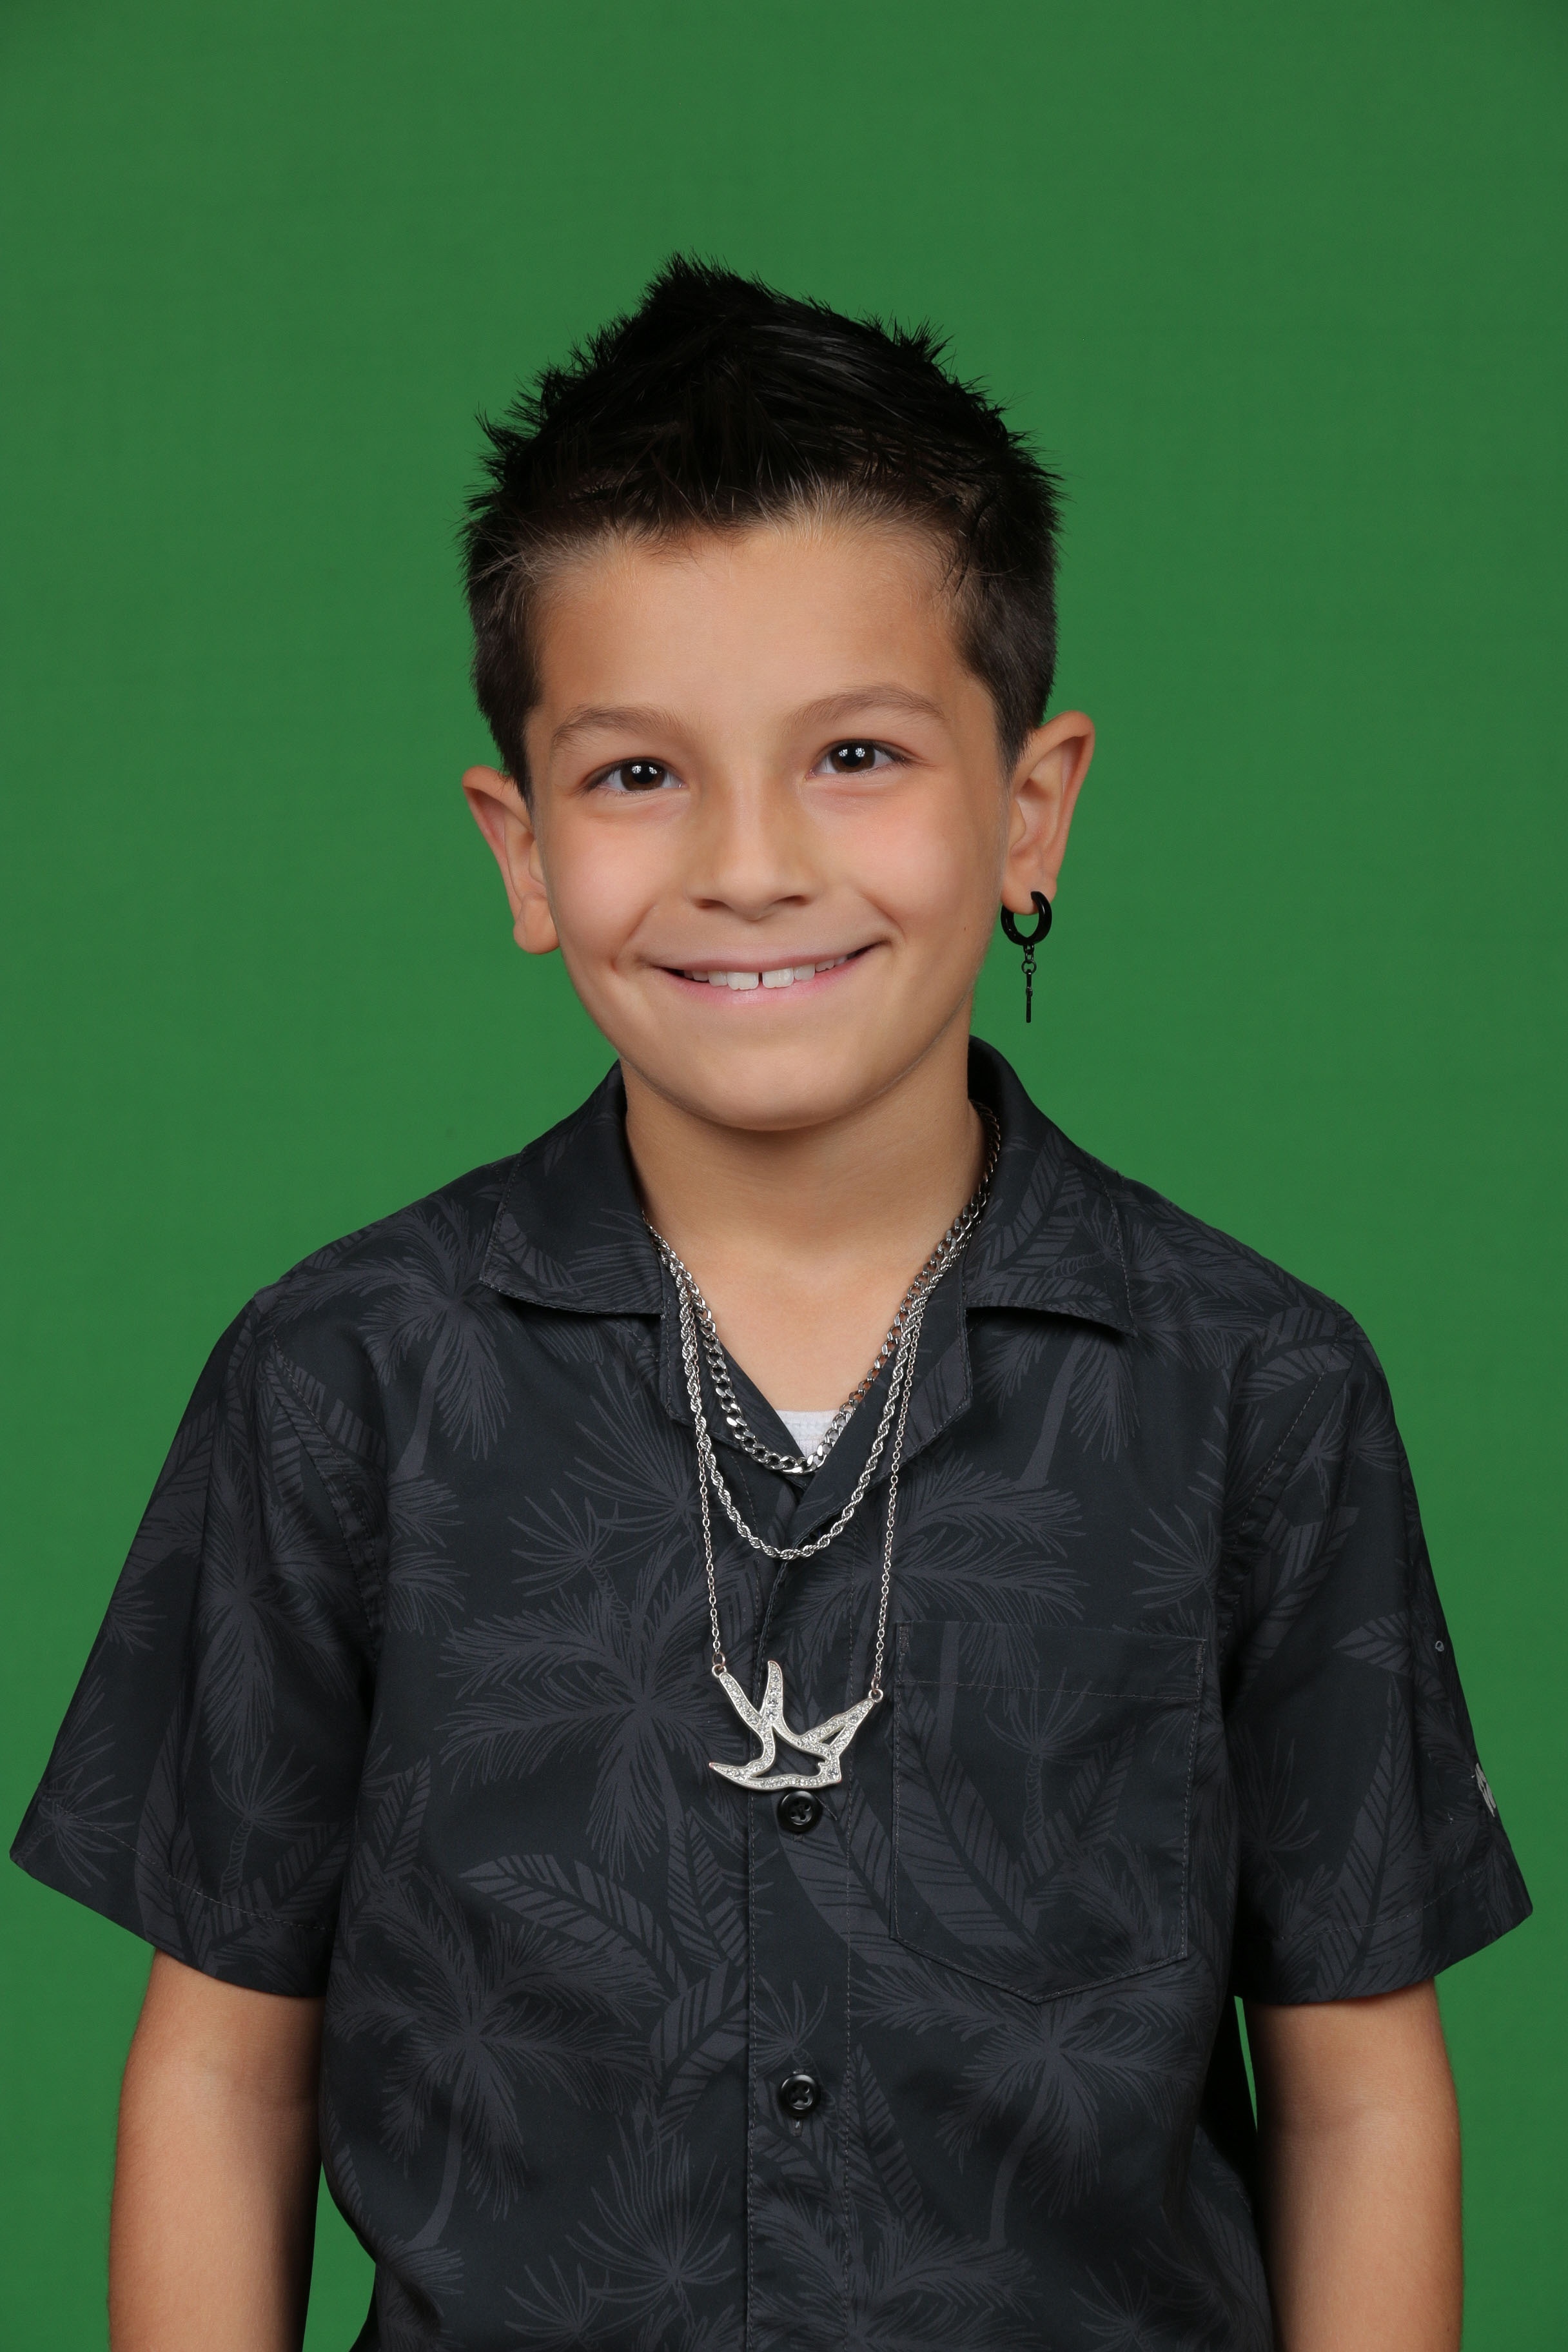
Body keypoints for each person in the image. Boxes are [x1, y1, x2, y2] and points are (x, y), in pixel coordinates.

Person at [14, 258, 1529, 2352]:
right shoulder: (343, 1382)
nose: (747, 863)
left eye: (857, 755)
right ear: (521, 848)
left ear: (1031, 808)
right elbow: (221, 2076)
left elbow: (1359, 2096)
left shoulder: (1257, 1394)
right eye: (638, 776)